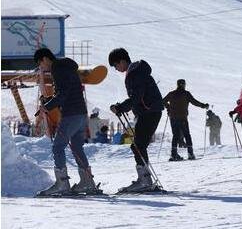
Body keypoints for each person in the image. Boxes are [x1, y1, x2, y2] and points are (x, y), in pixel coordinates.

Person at [34, 48, 99, 196]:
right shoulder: (67, 67)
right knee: (76, 147)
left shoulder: (58, 69)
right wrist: (49, 102)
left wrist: (48, 106)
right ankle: (87, 182)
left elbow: (62, 94)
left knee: (57, 147)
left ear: (45, 59)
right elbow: (65, 92)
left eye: (40, 64)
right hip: (81, 112)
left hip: (71, 114)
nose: (41, 68)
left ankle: (62, 183)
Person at [109, 48, 164, 192]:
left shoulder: (135, 73)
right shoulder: (136, 72)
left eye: (116, 65)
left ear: (121, 61)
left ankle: (145, 181)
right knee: (138, 145)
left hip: (149, 111)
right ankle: (145, 179)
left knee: (138, 145)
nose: (116, 69)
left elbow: (137, 96)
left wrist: (121, 107)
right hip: (149, 111)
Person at [163, 79, 209, 161]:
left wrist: (168, 108)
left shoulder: (171, 94)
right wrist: (203, 105)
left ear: (177, 85)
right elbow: (194, 102)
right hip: (182, 118)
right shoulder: (186, 94)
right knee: (187, 134)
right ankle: (190, 153)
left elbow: (162, 102)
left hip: (173, 118)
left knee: (175, 135)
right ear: (184, 85)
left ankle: (174, 154)